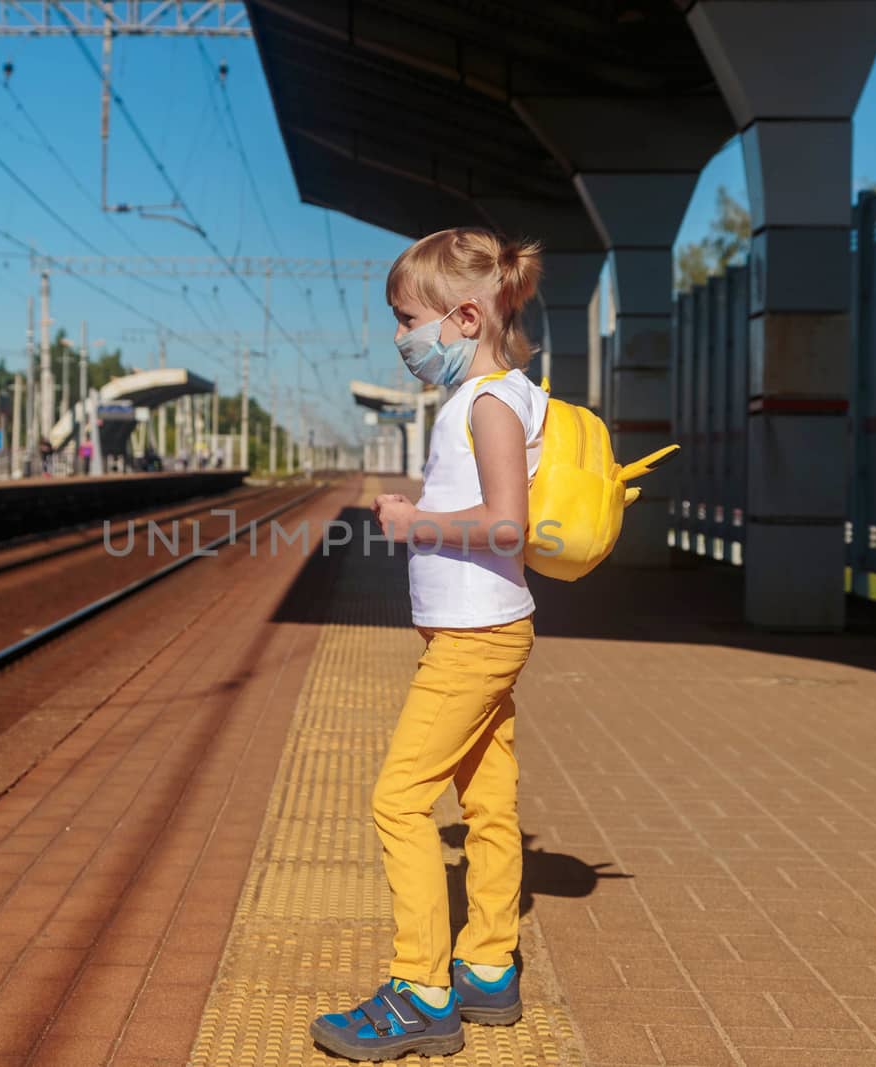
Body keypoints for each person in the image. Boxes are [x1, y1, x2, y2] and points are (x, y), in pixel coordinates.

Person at [310, 229, 546, 1062]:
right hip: (481, 629)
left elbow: (508, 519)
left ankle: (422, 990)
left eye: (409, 320)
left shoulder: (488, 403)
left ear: (466, 316)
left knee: (398, 799)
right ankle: (486, 964)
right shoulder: (494, 398)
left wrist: (415, 521)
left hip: (477, 638)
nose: (402, 339)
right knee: (488, 799)